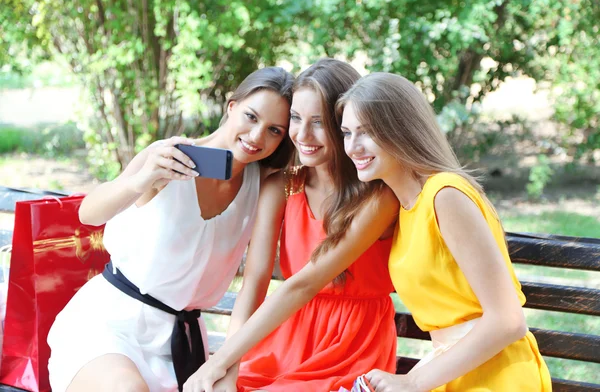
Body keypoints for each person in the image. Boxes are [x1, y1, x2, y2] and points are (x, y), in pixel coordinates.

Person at [47, 66, 295, 392]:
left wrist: (227, 370)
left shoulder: (261, 186)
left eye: (274, 130)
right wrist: (142, 179)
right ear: (231, 106)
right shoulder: (170, 155)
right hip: (109, 327)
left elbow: (255, 283)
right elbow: (89, 213)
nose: (257, 136)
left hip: (182, 343)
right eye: (251, 116)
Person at [183, 59, 399, 392]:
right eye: (296, 119)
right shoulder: (282, 186)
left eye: (319, 122)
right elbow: (254, 281)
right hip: (283, 338)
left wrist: (217, 361)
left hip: (350, 346)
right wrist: (227, 369)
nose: (302, 135)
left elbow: (305, 284)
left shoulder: (377, 195)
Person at [338, 72, 552, 391]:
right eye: (346, 133)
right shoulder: (404, 207)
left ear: (401, 130)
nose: (353, 146)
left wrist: (411, 382)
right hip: (449, 372)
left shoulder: (445, 194)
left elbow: (508, 320)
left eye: (366, 132)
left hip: (497, 375)